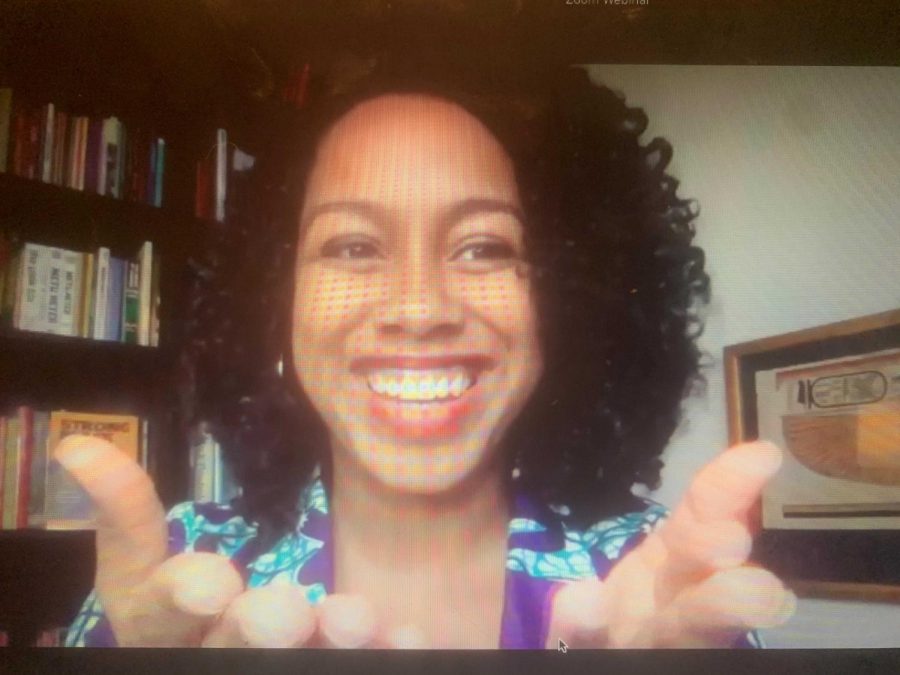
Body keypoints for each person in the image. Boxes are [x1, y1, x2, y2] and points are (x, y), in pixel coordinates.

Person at [58, 54, 795, 649]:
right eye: (352, 246)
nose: (419, 309)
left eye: (484, 247)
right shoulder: (177, 572)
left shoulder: (658, 583)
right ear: (273, 305)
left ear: (567, 308)